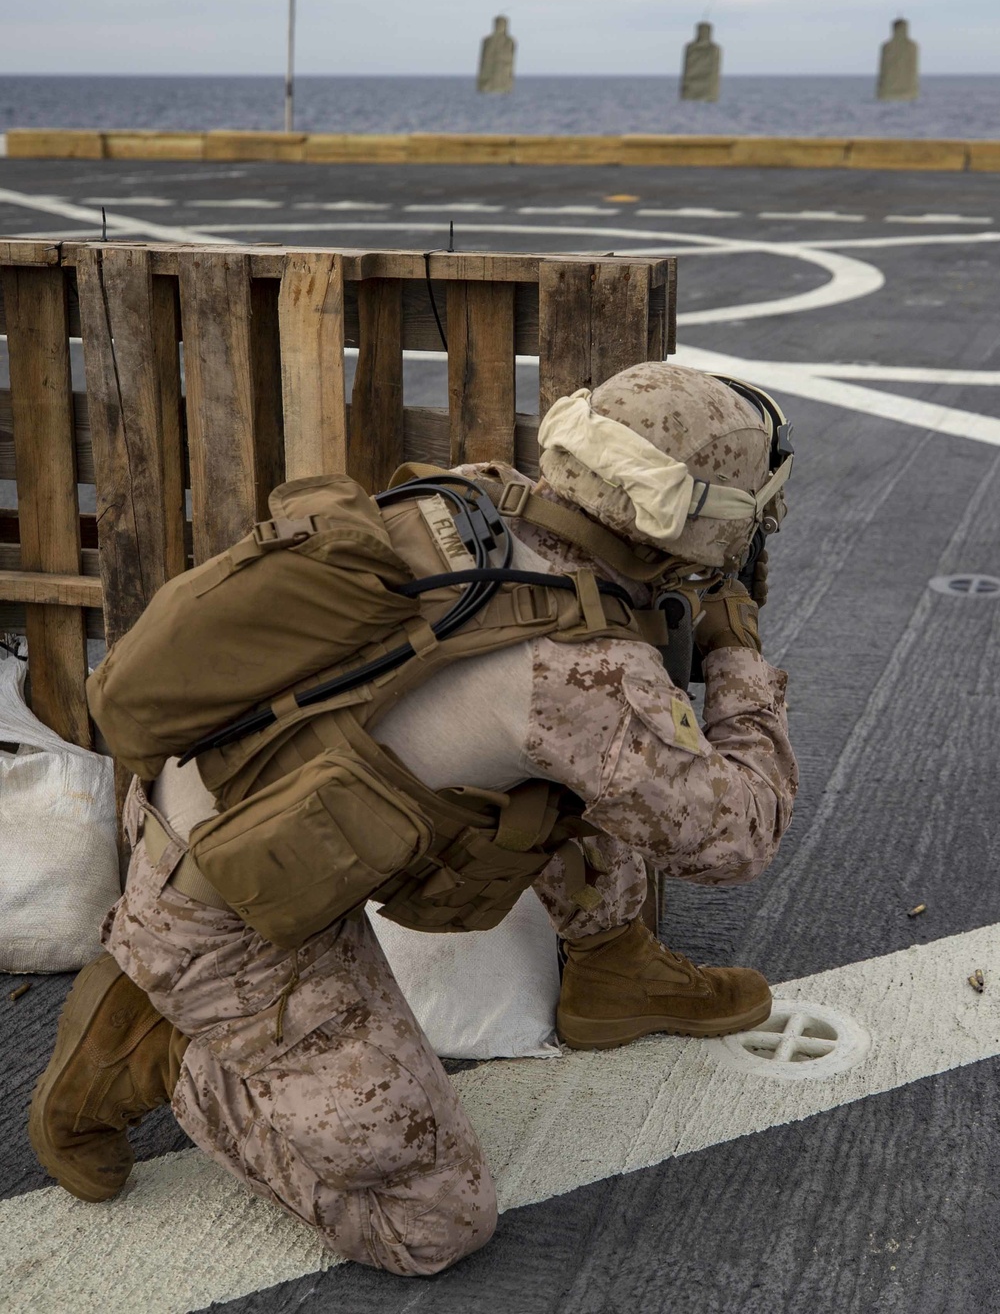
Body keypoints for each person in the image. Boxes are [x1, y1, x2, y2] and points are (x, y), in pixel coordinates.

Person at [29, 362, 797, 1276]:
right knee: (433, 1223)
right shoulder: (586, 680)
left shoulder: (478, 497)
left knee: (591, 781)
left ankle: (614, 974)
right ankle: (157, 1053)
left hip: (215, 811)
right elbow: (736, 836)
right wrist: (738, 655)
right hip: (231, 918)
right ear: (695, 518)